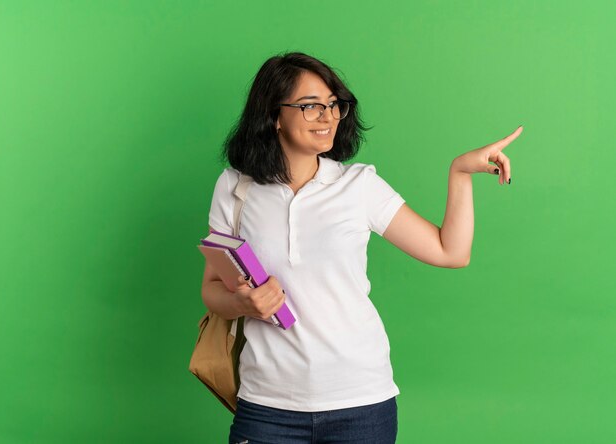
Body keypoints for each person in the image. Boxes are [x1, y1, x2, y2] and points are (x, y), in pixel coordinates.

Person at [201, 51, 522, 444]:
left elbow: (449, 252)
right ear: (273, 115)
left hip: (361, 405)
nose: (329, 116)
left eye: (335, 104)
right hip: (267, 407)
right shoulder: (235, 188)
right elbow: (212, 289)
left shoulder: (358, 186)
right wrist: (245, 305)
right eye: (311, 106)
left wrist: (460, 173)